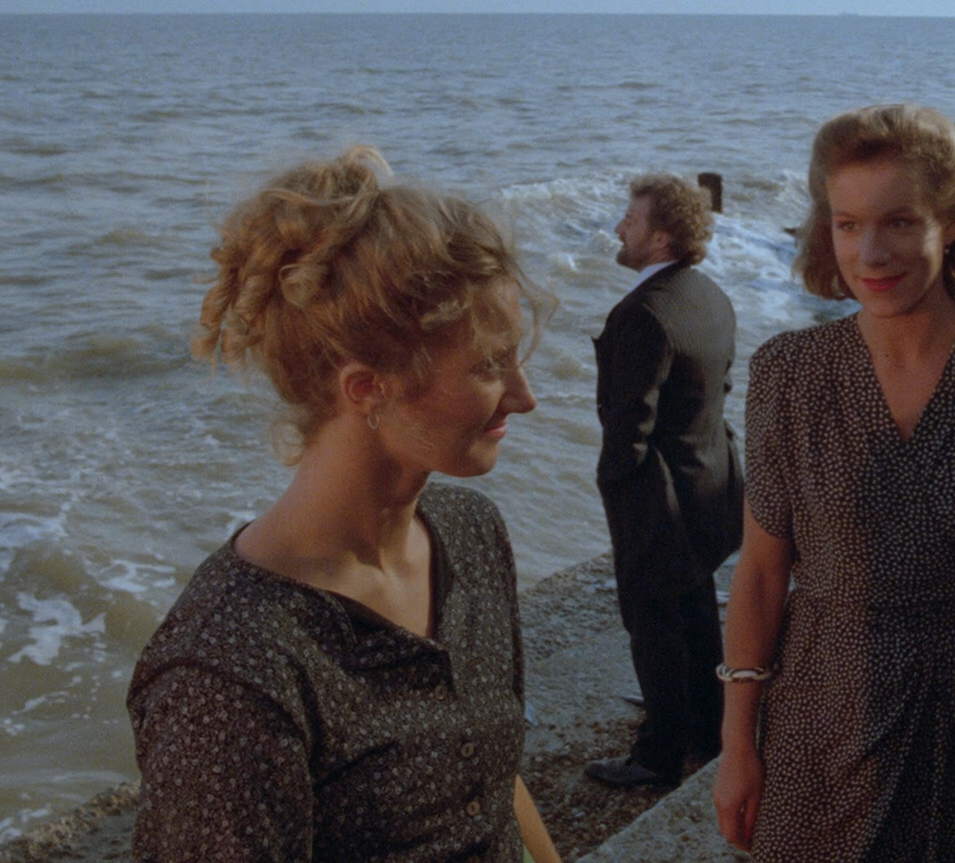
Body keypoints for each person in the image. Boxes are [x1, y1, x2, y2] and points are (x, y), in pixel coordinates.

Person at [127, 147, 562, 863]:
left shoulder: (470, 533)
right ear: (367, 388)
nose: (524, 397)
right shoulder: (232, 672)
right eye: (489, 365)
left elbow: (490, 781)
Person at [713, 104, 955, 862]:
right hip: (818, 703)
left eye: (898, 221)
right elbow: (760, 572)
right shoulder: (789, 373)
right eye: (848, 224)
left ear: (950, 222)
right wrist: (737, 743)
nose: (870, 253)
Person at [584, 173, 745, 789]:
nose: (618, 227)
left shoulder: (643, 315)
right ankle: (710, 731)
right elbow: (717, 390)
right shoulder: (709, 295)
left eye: (630, 219)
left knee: (652, 622)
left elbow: (629, 427)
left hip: (661, 498)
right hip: (711, 481)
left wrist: (618, 491)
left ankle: (658, 757)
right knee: (696, 610)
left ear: (659, 238)